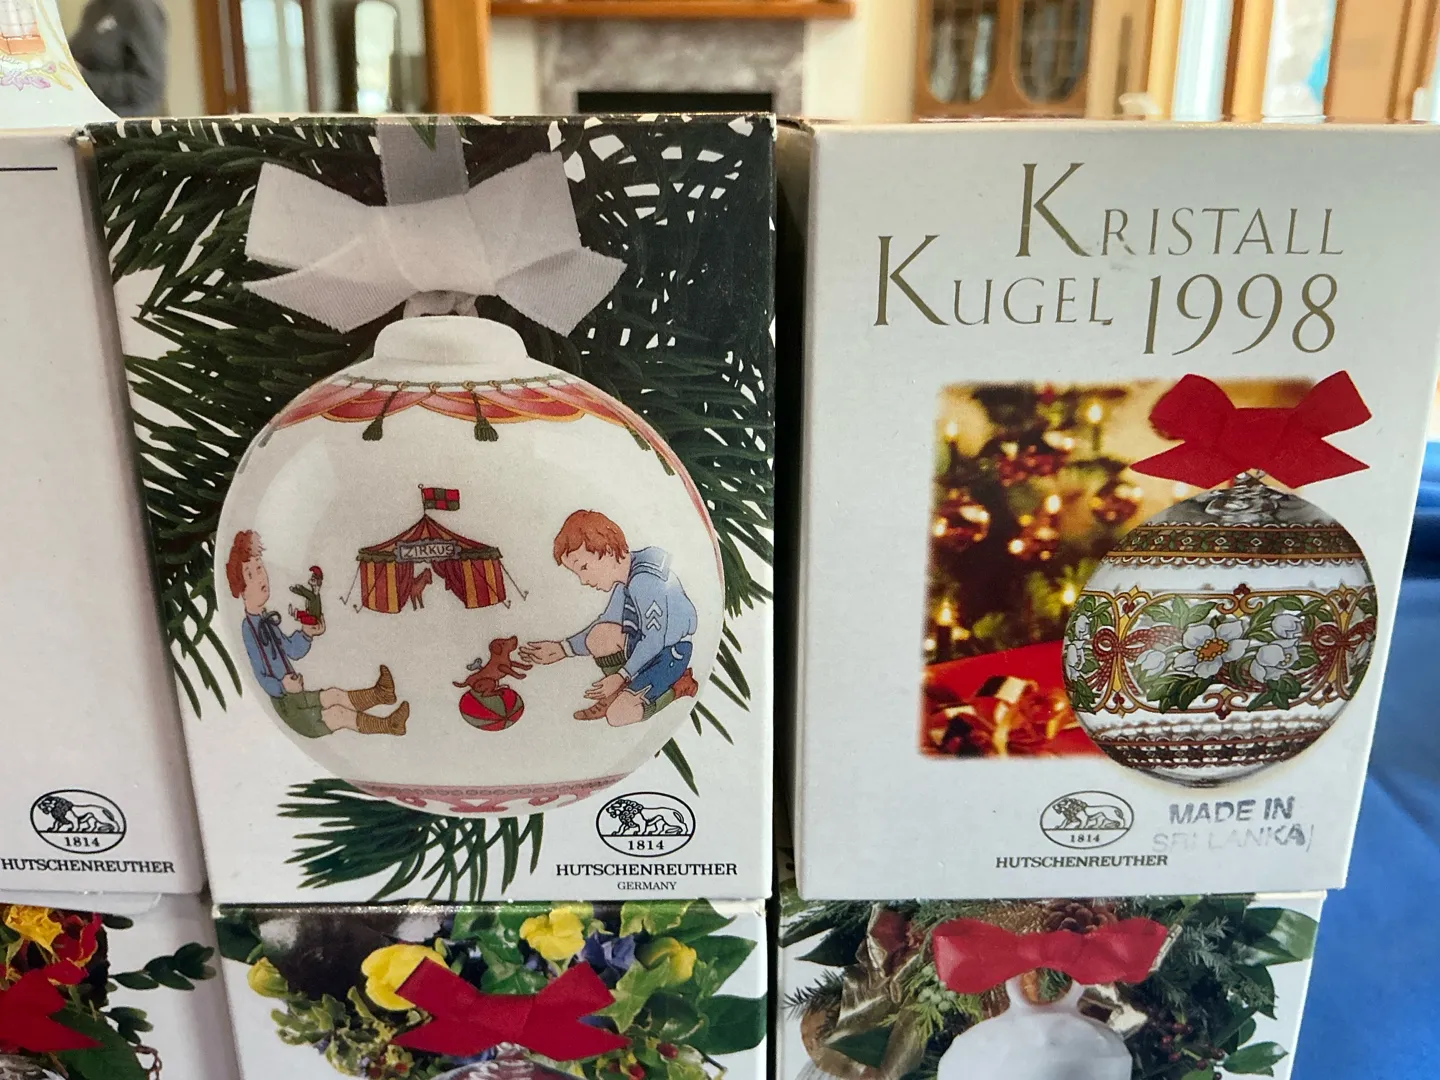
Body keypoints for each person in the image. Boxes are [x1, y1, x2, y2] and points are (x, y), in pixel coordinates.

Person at [520, 511, 698, 727]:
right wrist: (562, 648)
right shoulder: (624, 583)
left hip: (670, 653)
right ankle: (618, 693)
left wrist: (621, 675)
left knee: (617, 716)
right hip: (643, 646)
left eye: (584, 568)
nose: (583, 580)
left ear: (609, 551)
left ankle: (677, 687)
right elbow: (606, 622)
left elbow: (654, 640)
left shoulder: (645, 582)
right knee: (599, 635)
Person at [226, 531, 408, 738]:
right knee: (337, 714)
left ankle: (381, 694)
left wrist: (307, 633)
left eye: (260, 568)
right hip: (287, 706)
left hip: (296, 695)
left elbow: (292, 649)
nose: (260, 577)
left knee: (334, 695)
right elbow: (260, 674)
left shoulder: (267, 620)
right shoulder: (248, 628)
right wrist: (282, 686)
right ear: (240, 588)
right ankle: (389, 725)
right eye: (250, 574)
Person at [68, 0, 166, 117]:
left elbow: (148, 87)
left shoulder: (139, 7)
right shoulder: (93, 9)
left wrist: (84, 80)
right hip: (90, 117)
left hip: (125, 122)